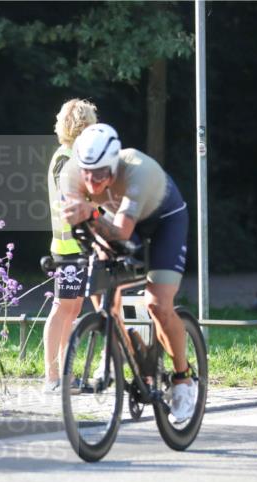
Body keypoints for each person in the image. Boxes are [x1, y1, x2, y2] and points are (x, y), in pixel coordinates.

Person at [60, 123, 196, 422]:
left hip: (163, 222)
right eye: (87, 173)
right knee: (99, 286)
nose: (93, 182)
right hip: (117, 219)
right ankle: (131, 351)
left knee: (157, 303)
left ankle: (184, 380)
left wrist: (92, 213)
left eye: (101, 174)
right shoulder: (70, 174)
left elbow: (122, 232)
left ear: (114, 165)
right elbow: (79, 223)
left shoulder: (137, 170)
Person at [42, 99, 98, 392]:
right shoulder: (65, 158)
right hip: (67, 248)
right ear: (82, 126)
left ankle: (65, 374)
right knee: (63, 307)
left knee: (73, 309)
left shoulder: (74, 156)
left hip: (78, 246)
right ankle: (52, 377)